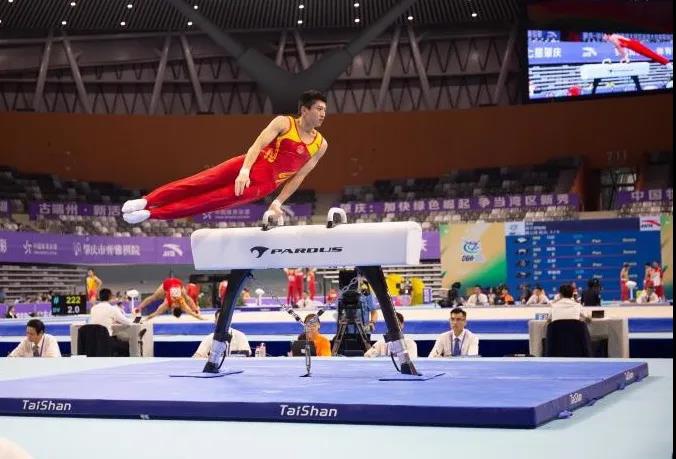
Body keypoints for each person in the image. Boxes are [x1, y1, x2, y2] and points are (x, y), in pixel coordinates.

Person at [122, 90, 329, 223]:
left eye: (325, 110)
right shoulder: (284, 122)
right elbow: (257, 144)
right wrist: (245, 170)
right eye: (319, 109)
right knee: (197, 182)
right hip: (246, 164)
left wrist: (278, 202)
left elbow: (299, 176)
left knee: (206, 201)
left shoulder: (320, 145)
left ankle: (151, 214)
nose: (323, 114)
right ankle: (146, 201)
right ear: (304, 110)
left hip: (261, 185)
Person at [135, 277, 204, 321]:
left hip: (176, 283)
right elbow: (155, 313)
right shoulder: (168, 304)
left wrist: (197, 312)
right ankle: (138, 308)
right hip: (170, 284)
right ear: (172, 310)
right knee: (155, 297)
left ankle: (139, 308)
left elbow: (191, 312)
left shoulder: (182, 304)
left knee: (153, 297)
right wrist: (145, 320)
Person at [89, 288, 134, 356]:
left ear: (99, 297)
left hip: (94, 340)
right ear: (110, 297)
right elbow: (127, 322)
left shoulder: (93, 309)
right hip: (106, 340)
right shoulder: (112, 309)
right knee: (126, 346)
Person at [603, 33, 672, 65]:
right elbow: (620, 49)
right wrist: (624, 58)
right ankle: (663, 61)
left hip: (634, 45)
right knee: (648, 54)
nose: (603, 37)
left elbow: (620, 49)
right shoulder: (612, 38)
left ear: (607, 34)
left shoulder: (612, 38)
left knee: (649, 53)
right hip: (633, 45)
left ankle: (666, 62)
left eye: (604, 35)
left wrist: (625, 58)